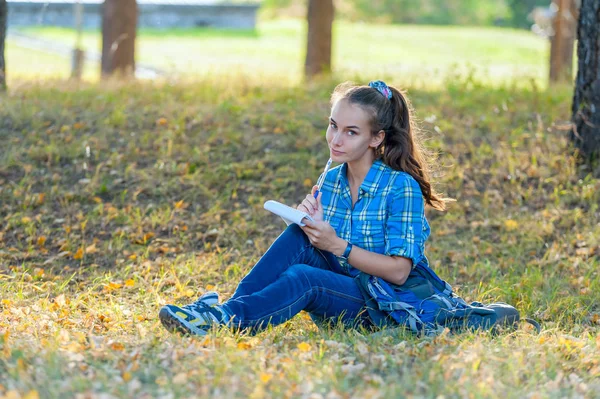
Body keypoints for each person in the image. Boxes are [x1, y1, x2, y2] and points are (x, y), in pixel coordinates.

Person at [159, 80, 449, 336]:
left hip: (384, 305)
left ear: (376, 138)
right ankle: (225, 312)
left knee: (305, 278)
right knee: (298, 235)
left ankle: (227, 318)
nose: (336, 139)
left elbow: (399, 273)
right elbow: (327, 254)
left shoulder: (400, 188)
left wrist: (337, 245)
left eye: (351, 132)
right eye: (333, 126)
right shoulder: (333, 180)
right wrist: (311, 228)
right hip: (346, 288)